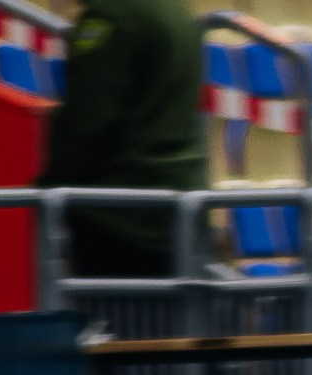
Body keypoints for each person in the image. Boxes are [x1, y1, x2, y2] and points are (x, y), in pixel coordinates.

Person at [35, 0, 208, 277]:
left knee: (115, 318)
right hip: (178, 204)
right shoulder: (175, 9)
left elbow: (89, 119)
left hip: (120, 213)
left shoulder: (112, 15)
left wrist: (50, 186)